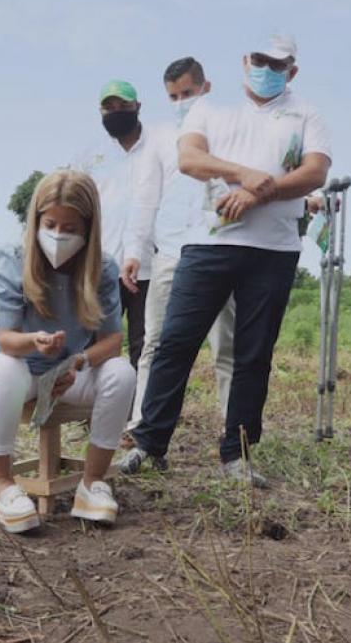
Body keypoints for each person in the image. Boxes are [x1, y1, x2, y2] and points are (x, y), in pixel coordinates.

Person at [120, 34, 332, 486]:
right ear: (245, 61)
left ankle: (237, 453)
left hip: (273, 250)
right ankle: (149, 443)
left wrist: (258, 194)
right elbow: (190, 158)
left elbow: (315, 171)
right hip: (207, 244)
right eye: (260, 60)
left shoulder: (306, 114)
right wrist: (243, 174)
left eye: (277, 64)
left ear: (292, 71)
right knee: (175, 343)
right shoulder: (210, 109)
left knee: (252, 355)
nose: (266, 69)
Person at [0, 170, 135, 533]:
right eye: (50, 225)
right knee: (8, 369)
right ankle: (2, 482)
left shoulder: (103, 267)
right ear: (36, 221)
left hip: (65, 374)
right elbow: (6, 340)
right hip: (10, 370)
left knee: (122, 372)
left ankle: (92, 484)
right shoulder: (12, 257)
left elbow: (112, 340)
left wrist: (78, 361)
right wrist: (36, 341)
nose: (59, 235)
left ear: (88, 228)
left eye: (70, 228)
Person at [123, 57, 235, 437]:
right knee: (155, 343)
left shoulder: (229, 129)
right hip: (171, 251)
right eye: (173, 96)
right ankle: (141, 425)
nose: (181, 102)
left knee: (226, 344)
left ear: (206, 87)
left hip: (219, 248)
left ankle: (233, 430)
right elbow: (145, 197)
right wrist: (134, 250)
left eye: (188, 92)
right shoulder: (158, 138)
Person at [95, 80, 152, 367]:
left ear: (137, 106)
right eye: (110, 107)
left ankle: (141, 397)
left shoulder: (158, 148)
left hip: (148, 265)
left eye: (123, 106)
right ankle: (104, 396)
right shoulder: (91, 156)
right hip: (103, 267)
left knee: (146, 345)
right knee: (100, 343)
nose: (116, 112)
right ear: (101, 111)